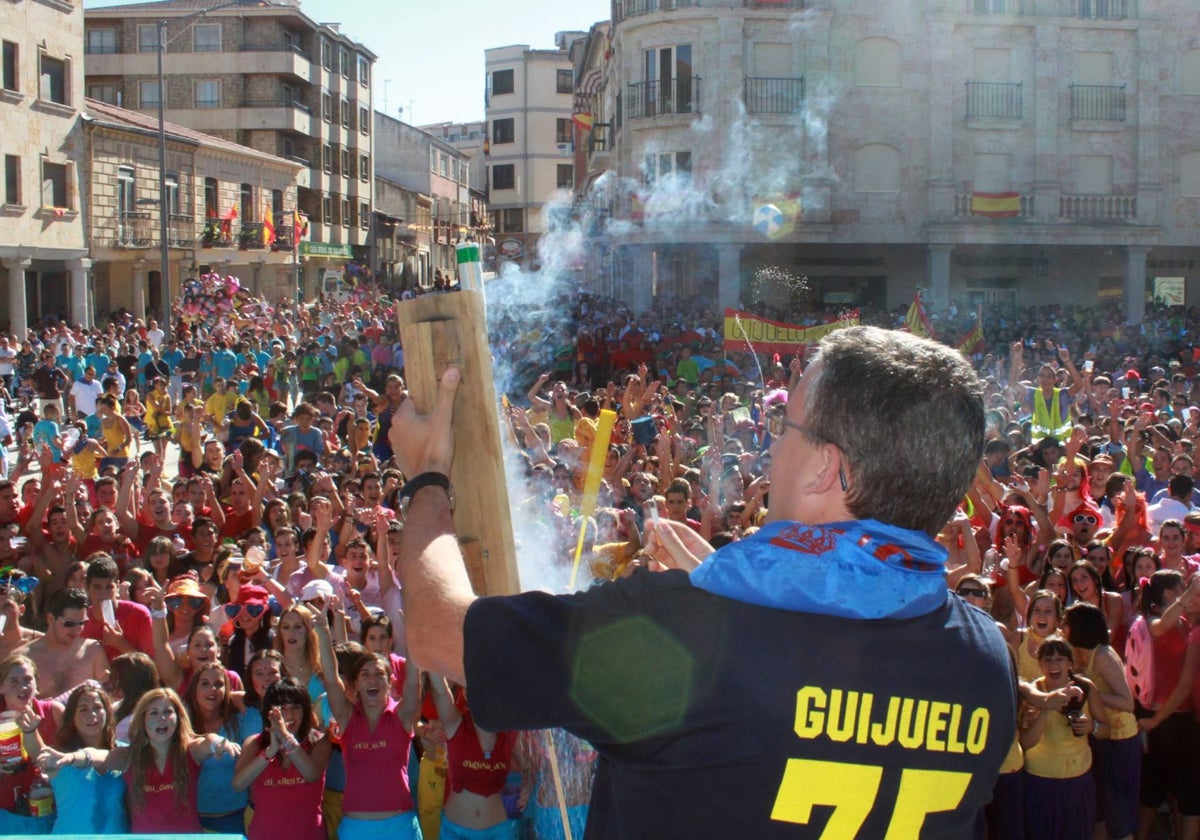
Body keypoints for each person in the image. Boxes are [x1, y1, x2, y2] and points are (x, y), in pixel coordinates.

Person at [390, 326, 1017, 836]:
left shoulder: (684, 632)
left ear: (828, 468)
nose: (773, 451)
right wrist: (722, 578)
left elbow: (437, 630)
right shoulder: (986, 661)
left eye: (785, 429)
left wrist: (426, 478)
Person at [232, 676, 330, 840]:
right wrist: (270, 751)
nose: (289, 714)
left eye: (296, 707)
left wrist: (286, 738)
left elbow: (311, 775)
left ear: (305, 710)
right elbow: (238, 784)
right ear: (268, 711)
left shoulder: (319, 741)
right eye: (282, 708)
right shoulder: (254, 743)